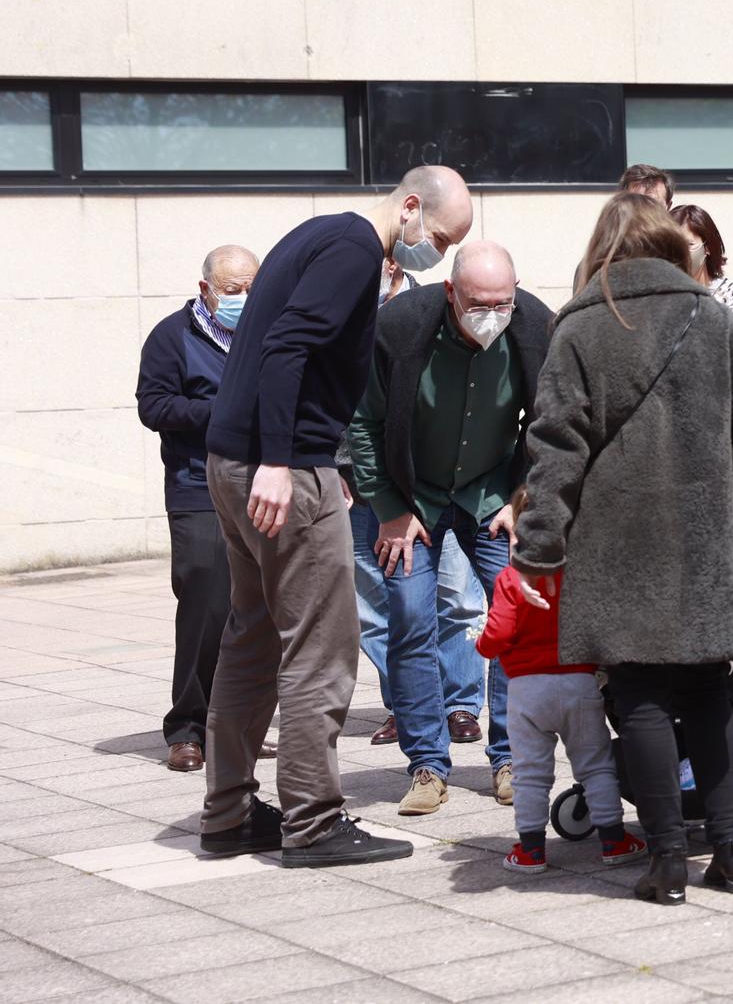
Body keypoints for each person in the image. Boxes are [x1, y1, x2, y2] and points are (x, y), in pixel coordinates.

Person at [513, 193, 733, 905]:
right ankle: (731, 853)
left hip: (616, 541)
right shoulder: (713, 314)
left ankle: (668, 859)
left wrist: (538, 549)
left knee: (636, 693)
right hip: (706, 534)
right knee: (708, 687)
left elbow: (556, 447)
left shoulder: (578, 326)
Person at [200, 165, 472, 868]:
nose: (434, 254)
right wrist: (281, 459)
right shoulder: (354, 250)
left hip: (233, 458)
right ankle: (313, 819)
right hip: (277, 466)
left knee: (253, 635)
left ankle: (228, 812)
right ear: (410, 206)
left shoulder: (320, 233)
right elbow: (288, 344)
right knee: (322, 644)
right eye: (437, 237)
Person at [348, 241, 556, 817]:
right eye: (478, 302)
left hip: (491, 493)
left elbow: (552, 424)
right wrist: (389, 509)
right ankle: (426, 766)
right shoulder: (399, 328)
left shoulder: (536, 327)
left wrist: (523, 497)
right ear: (449, 293)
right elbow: (363, 424)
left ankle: (511, 757)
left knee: (518, 617)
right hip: (409, 497)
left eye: (502, 302)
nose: (491, 313)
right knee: (411, 619)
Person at [340, 259, 488, 751]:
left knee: (455, 597)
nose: (383, 262)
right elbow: (333, 404)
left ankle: (461, 704)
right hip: (362, 486)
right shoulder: (337, 316)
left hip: (429, 490)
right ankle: (407, 707)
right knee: (382, 609)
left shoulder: (426, 314)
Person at [136, 244, 259, 772]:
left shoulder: (266, 331)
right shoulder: (172, 336)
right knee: (206, 609)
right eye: (233, 290)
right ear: (206, 288)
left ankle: (240, 726)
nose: (244, 299)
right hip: (197, 488)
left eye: (252, 287)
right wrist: (222, 412)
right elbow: (153, 405)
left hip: (260, 487)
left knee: (254, 613)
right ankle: (187, 728)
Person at [476, 548, 647, 875]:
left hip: (527, 690)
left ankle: (530, 849)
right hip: (578, 682)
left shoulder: (512, 577)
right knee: (596, 765)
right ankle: (614, 840)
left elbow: (497, 635)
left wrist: (482, 645)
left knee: (528, 772)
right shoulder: (581, 572)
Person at [670, 203, 733, 337]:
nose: (680, 252)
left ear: (707, 247)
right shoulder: (664, 294)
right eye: (673, 245)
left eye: (688, 244)